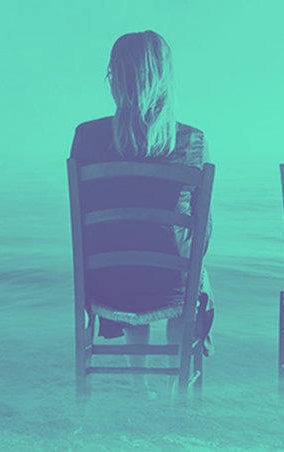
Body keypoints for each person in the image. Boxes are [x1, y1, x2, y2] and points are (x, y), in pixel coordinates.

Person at [69, 30, 214, 392]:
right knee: (189, 273)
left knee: (133, 260)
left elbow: (83, 221)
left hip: (106, 283)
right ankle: (175, 387)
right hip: (170, 284)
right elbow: (203, 227)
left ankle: (138, 386)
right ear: (164, 79)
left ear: (116, 78)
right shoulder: (191, 141)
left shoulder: (85, 138)